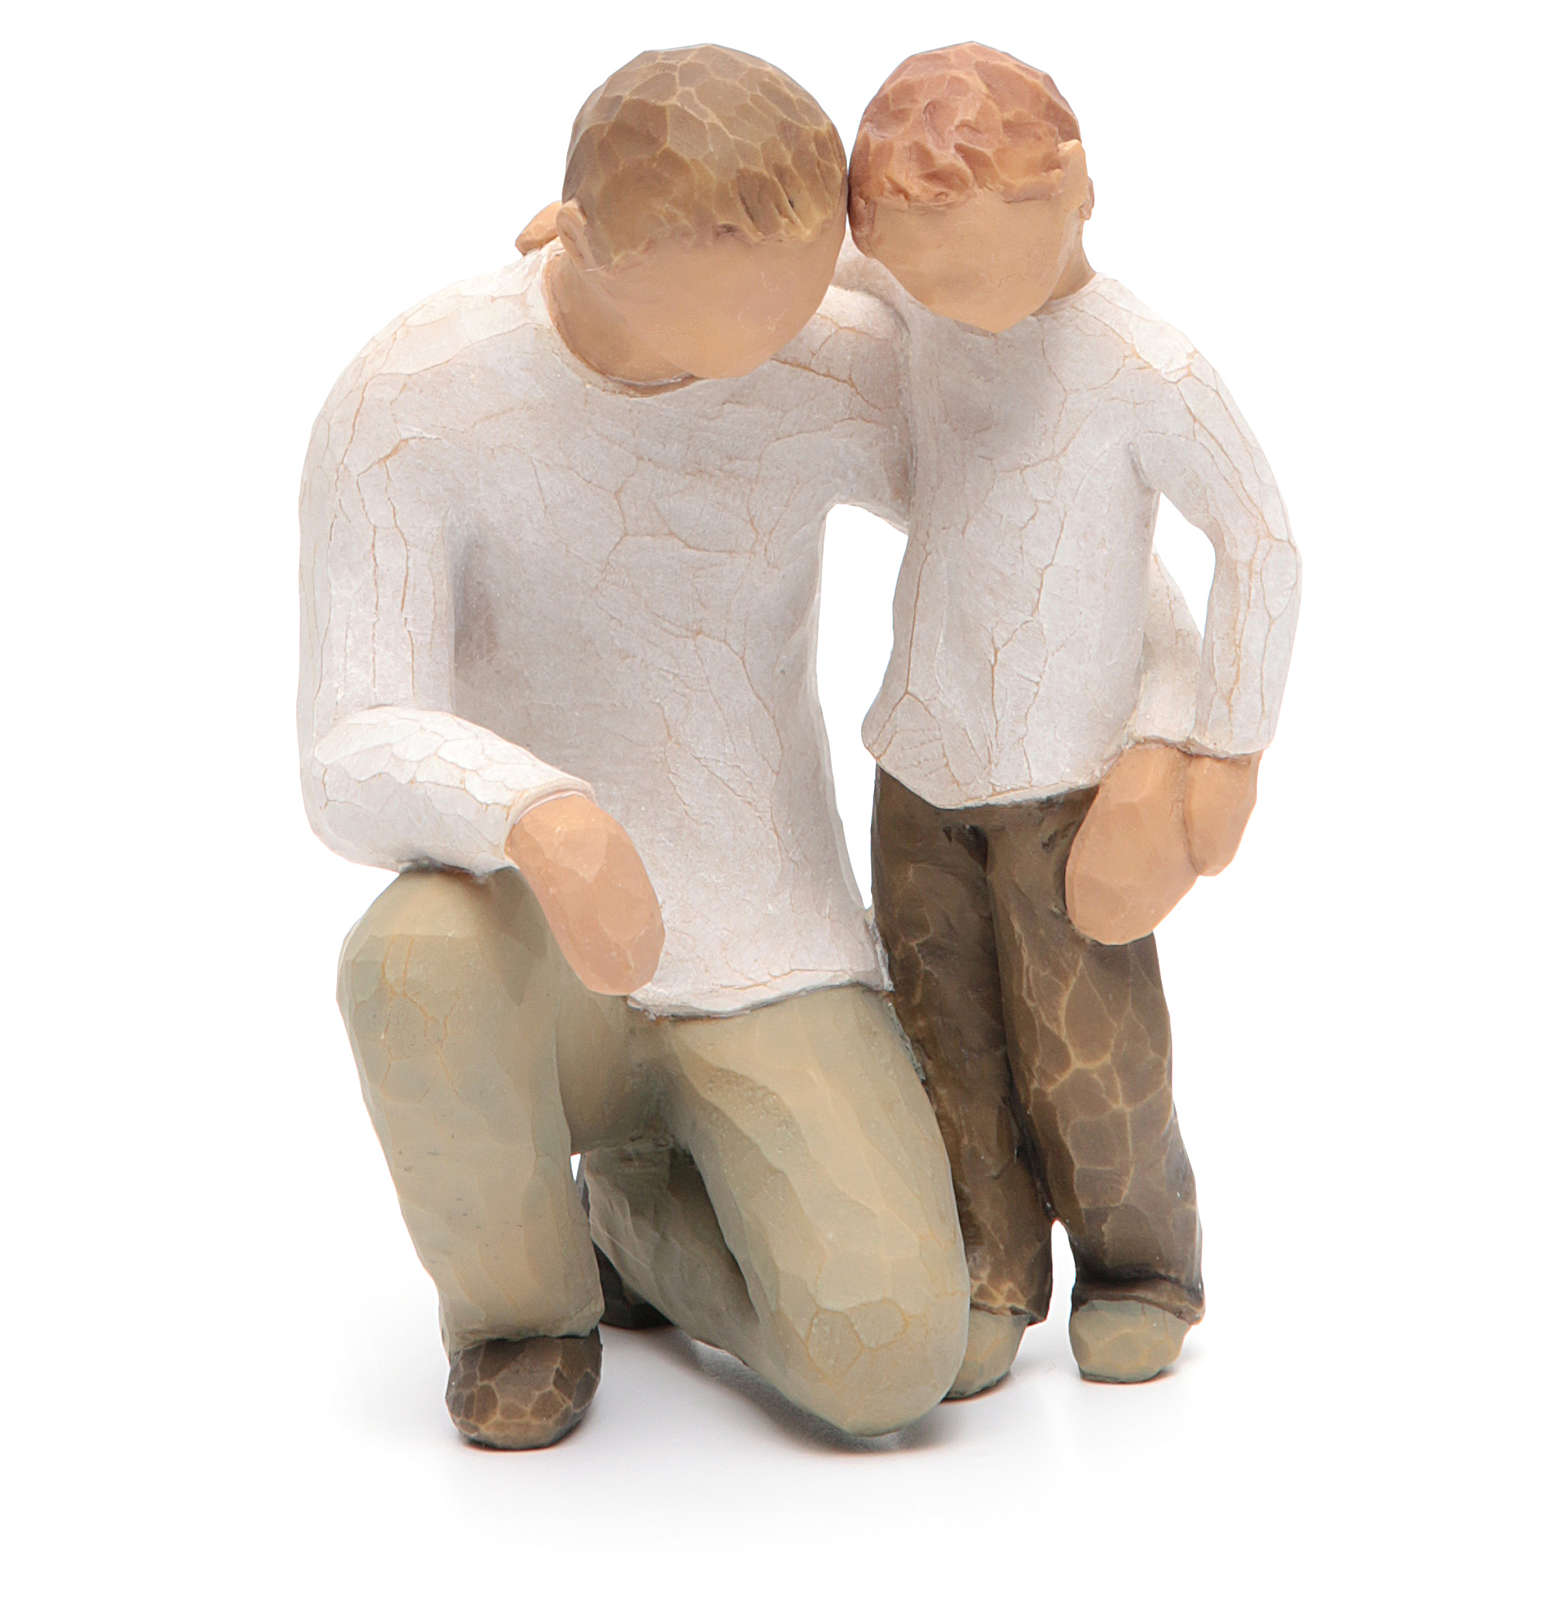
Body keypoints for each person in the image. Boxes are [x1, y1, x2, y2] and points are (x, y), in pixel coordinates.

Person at [299, 44, 967, 1448]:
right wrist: (538, 815)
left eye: (804, 294)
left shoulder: (822, 355)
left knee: (891, 1361)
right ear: (573, 237)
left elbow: (1024, 515)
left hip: (759, 940)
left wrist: (1184, 730)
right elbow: (348, 741)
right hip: (534, 941)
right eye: (718, 328)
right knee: (407, 961)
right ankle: (523, 1310)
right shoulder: (416, 395)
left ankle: (638, 1217)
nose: (775, 351)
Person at [848, 43, 1301, 1395]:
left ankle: (1139, 1263)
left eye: (968, 264)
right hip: (922, 757)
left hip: (1069, 773)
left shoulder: (1141, 365)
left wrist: (1226, 751)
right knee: (945, 1032)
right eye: (919, 268)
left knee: (1087, 1043)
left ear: (1074, 189)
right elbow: (834, 270)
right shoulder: (920, 301)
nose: (941, 300)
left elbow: (1260, 546)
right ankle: (990, 1263)